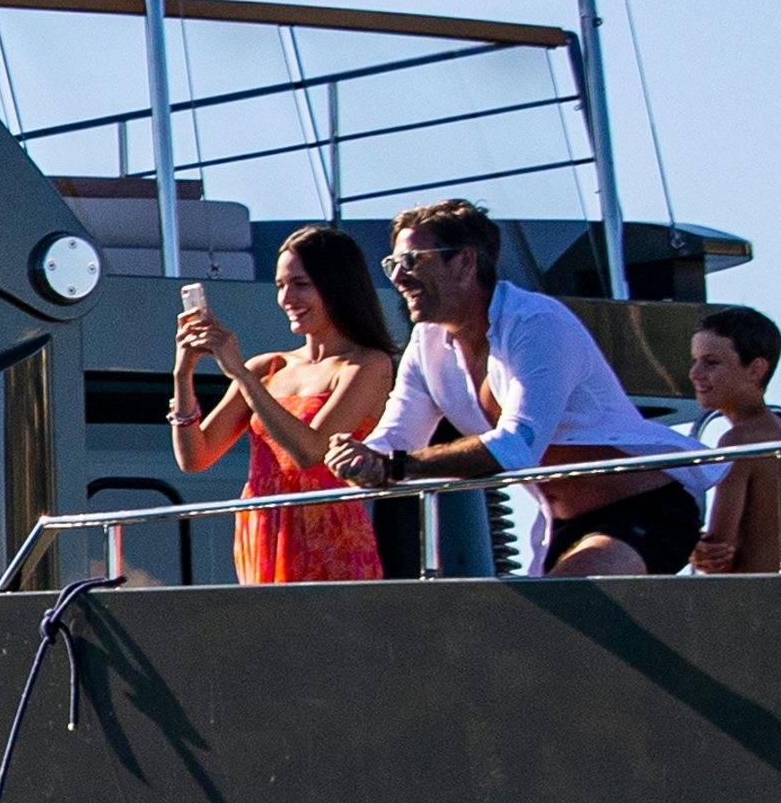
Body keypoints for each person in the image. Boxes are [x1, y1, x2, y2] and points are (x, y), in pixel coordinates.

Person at [332, 201, 713, 576]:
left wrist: (398, 465)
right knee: (534, 628)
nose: (398, 277)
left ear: (465, 261)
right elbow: (397, 437)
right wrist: (362, 458)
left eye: (412, 260)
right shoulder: (425, 343)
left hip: (648, 507)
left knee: (567, 602)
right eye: (392, 264)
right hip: (560, 526)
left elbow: (517, 446)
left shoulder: (536, 323)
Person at [170, 223, 399, 584]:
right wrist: (183, 374)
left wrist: (242, 377)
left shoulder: (368, 364)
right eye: (280, 286)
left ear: (338, 286)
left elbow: (311, 452)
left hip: (329, 538)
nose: (286, 298)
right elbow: (195, 457)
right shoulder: (268, 367)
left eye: (301, 284)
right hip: (262, 526)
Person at [688, 302, 781, 575]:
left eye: (711, 363)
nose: (695, 373)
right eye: (695, 361)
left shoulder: (739, 441)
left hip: (754, 599)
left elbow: (718, 558)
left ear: (755, 370)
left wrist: (691, 548)